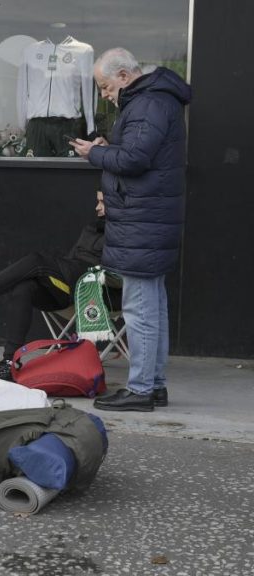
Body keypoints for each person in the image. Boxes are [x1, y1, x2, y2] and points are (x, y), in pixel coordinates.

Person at [70, 48, 190, 412]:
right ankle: (154, 385)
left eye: (105, 86)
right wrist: (112, 148)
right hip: (151, 218)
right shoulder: (156, 99)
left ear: (124, 75)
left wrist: (95, 153)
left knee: (139, 308)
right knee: (153, 305)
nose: (105, 94)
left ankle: (140, 388)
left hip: (143, 220)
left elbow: (135, 160)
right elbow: (138, 153)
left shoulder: (147, 103)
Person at [0, 191, 107, 381]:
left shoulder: (123, 235)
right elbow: (72, 258)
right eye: (97, 202)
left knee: (36, 260)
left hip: (87, 289)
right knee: (24, 287)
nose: (97, 207)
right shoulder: (92, 227)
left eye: (102, 203)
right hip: (66, 283)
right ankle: (10, 363)